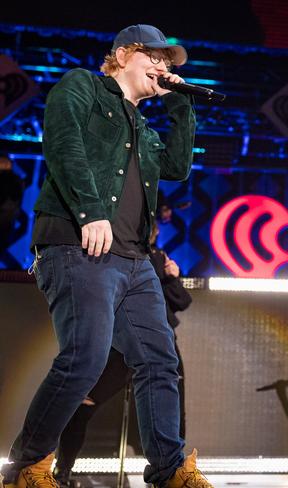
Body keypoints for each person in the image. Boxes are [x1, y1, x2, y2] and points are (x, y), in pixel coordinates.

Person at [0, 24, 211, 488]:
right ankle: (27, 466)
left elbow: (177, 167)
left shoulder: (145, 129)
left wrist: (182, 102)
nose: (164, 66)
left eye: (169, 62)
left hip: (136, 259)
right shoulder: (84, 87)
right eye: (153, 56)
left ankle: (169, 471)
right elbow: (62, 141)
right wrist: (90, 211)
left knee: (160, 362)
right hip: (80, 246)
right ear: (121, 54)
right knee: (86, 358)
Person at [53, 222, 193, 487]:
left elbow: (182, 302)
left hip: (160, 345)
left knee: (171, 408)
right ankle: (62, 469)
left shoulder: (157, 258)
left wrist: (173, 277)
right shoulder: (118, 257)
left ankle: (172, 472)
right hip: (123, 344)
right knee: (83, 402)